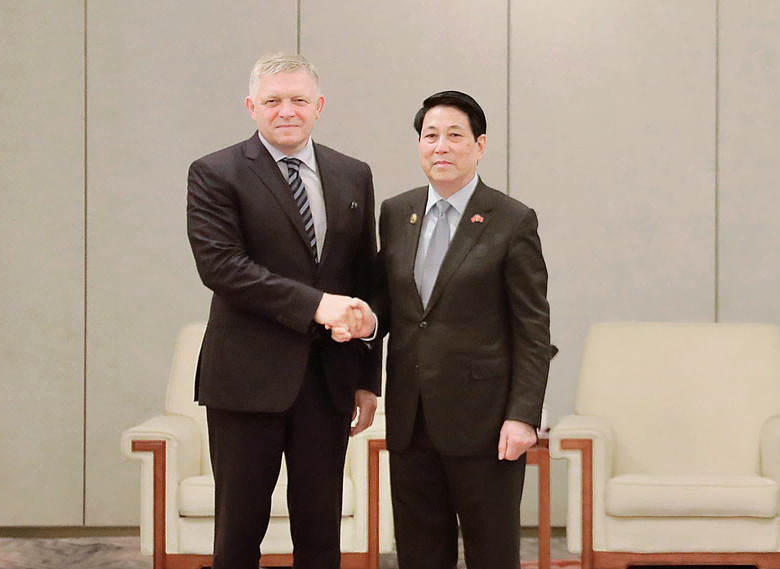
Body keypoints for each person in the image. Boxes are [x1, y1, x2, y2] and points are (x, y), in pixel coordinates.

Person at [186, 52, 380, 569]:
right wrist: (318, 306)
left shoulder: (353, 174)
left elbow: (365, 280)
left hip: (328, 380)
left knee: (321, 533)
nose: (286, 111)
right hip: (246, 380)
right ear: (252, 107)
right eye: (273, 101)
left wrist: (367, 376)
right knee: (238, 531)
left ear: (319, 106)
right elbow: (223, 267)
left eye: (298, 100)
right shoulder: (215, 172)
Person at [369, 90, 551, 569]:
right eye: (431, 136)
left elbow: (532, 327)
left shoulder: (511, 220)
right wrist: (361, 322)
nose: (441, 147)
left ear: (480, 144)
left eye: (455, 135)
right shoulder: (395, 213)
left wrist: (523, 414)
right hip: (411, 419)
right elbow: (389, 307)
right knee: (419, 555)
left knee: (492, 555)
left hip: (488, 425)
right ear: (419, 145)